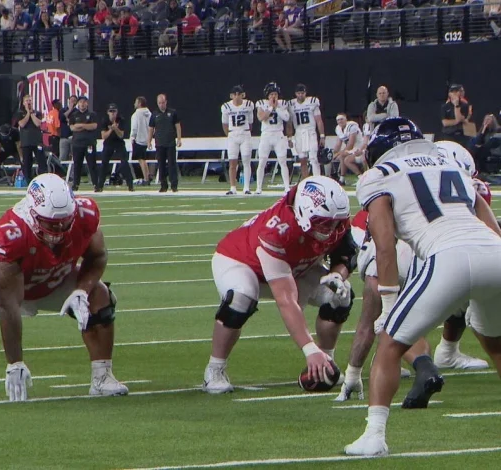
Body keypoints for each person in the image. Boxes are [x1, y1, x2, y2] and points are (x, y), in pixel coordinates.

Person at [344, 118, 501, 456]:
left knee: (390, 344)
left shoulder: (378, 176)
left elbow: (385, 245)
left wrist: (388, 304)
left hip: (447, 257)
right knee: (497, 345)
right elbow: (492, 227)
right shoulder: (451, 165)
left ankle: (374, 436)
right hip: (494, 253)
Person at [0, 173, 128, 402]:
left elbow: (98, 256)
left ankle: (102, 377)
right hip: (0, 277)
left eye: (64, 222)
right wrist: (15, 362)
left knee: (100, 297)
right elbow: (9, 305)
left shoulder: (85, 214)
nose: (58, 231)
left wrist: (82, 290)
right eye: (51, 224)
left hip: (52, 274)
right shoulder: (11, 233)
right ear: (32, 214)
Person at [203, 176, 357, 394]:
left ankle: (325, 363)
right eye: (324, 222)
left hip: (295, 266)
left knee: (340, 295)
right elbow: (286, 300)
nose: (331, 229)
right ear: (303, 212)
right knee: (241, 298)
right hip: (241, 261)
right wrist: (308, 348)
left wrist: (337, 275)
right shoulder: (277, 231)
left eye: (335, 222)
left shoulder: (335, 219)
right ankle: (214, 369)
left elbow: (346, 255)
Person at [255, 82, 291, 194]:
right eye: (271, 94)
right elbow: (261, 117)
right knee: (262, 161)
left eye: (275, 94)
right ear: (267, 95)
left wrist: (277, 108)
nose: (273, 96)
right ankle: (259, 187)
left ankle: (287, 187)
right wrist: (271, 107)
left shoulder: (283, 104)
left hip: (278, 134)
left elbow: (286, 118)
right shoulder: (261, 103)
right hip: (266, 134)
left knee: (282, 161)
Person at [221, 85, 254, 195]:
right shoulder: (226, 107)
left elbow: (250, 123)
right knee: (232, 162)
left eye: (239, 94)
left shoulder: (249, 105)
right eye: (235, 94)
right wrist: (230, 134)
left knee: (246, 161)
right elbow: (224, 124)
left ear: (242, 95)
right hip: (233, 134)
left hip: (245, 133)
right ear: (231, 96)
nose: (237, 96)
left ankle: (246, 187)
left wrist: (246, 132)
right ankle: (233, 187)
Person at [287, 84, 326, 178]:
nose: (300, 95)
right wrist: (289, 138)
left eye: (302, 93)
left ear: (305, 93)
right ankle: (305, 180)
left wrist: (322, 136)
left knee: (313, 158)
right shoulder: (291, 104)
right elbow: (289, 123)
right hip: (299, 132)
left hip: (310, 131)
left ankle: (317, 179)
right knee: (302, 159)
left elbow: (319, 120)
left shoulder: (312, 101)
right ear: (295, 93)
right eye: (299, 93)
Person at [147, 94, 182, 193]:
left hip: (170, 143)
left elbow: (178, 126)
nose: (161, 105)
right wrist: (149, 141)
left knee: (172, 165)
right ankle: (163, 185)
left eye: (163, 103)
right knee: (161, 165)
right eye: (159, 103)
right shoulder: (154, 114)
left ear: (166, 102)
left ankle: (174, 185)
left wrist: (179, 139)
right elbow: (151, 128)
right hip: (159, 144)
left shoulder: (172, 112)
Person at [98, 103, 134, 192]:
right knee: (104, 163)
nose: (112, 113)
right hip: (108, 143)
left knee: (124, 162)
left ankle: (130, 185)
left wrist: (116, 129)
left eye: (114, 111)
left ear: (117, 112)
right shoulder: (105, 120)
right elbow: (104, 136)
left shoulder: (121, 119)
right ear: (108, 112)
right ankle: (100, 186)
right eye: (111, 111)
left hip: (119, 143)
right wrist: (111, 129)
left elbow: (121, 135)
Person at [69, 96, 98, 191]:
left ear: (87, 103)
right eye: (80, 102)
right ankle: (75, 185)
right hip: (77, 144)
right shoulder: (74, 115)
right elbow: (72, 128)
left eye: (84, 102)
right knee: (77, 165)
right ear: (78, 103)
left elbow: (93, 126)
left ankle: (96, 184)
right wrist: (86, 126)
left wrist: (81, 125)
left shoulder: (92, 114)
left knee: (92, 165)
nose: (82, 104)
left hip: (89, 143)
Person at [16, 94, 47, 183]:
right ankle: (28, 180)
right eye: (27, 101)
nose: (28, 102)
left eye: (30, 100)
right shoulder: (20, 113)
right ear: (23, 103)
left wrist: (31, 113)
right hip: (26, 142)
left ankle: (42, 180)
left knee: (41, 161)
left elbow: (38, 123)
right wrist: (27, 114)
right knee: (27, 163)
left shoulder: (37, 113)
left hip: (37, 141)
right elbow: (22, 124)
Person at [0, 123, 23, 190]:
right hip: (4, 149)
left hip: (15, 149)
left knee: (24, 162)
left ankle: (28, 181)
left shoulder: (15, 131)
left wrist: (21, 156)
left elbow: (18, 144)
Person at [332, 113, 362, 185]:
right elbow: (338, 144)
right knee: (337, 156)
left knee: (342, 156)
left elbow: (351, 145)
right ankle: (339, 178)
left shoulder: (352, 127)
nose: (340, 121)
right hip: (351, 150)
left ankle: (359, 177)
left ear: (346, 119)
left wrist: (338, 153)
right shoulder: (338, 128)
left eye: (341, 119)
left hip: (359, 149)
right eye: (338, 120)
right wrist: (333, 153)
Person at [130, 96, 152, 185]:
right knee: (143, 159)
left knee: (141, 159)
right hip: (147, 139)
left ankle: (146, 178)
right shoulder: (149, 113)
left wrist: (132, 137)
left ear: (139, 103)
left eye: (136, 102)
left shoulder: (136, 114)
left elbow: (134, 127)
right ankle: (147, 175)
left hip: (138, 139)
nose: (134, 104)